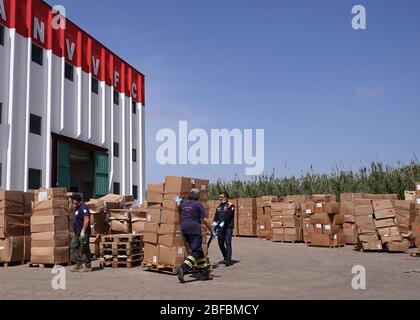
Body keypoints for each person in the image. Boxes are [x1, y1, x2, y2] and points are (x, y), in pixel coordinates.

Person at [176, 188, 215, 283]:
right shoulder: (198, 204)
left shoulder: (184, 204)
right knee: (196, 252)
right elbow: (205, 220)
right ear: (198, 196)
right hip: (194, 230)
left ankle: (205, 273)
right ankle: (183, 268)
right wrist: (212, 230)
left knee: (199, 252)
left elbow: (178, 206)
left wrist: (178, 200)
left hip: (185, 229)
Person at [69, 194, 92, 272]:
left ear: (76, 200)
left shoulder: (83, 207)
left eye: (73, 200)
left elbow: (86, 219)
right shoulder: (77, 208)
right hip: (77, 233)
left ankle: (88, 266)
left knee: (84, 248)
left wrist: (83, 230)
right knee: (73, 246)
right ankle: (78, 265)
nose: (72, 201)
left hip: (83, 232)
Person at [214, 192, 235, 266]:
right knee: (220, 243)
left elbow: (229, 216)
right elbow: (216, 216)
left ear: (225, 197)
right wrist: (214, 223)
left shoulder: (230, 205)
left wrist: (224, 222)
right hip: (220, 227)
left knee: (227, 242)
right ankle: (225, 257)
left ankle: (228, 259)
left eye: (221, 197)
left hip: (228, 227)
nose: (219, 198)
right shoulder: (219, 206)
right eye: (219, 197)